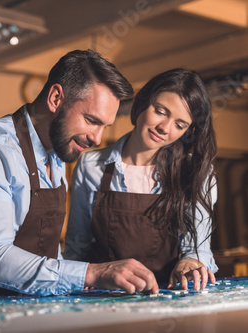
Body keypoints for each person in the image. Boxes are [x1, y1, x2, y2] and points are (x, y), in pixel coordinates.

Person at [0, 49, 159, 298]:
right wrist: (91, 273)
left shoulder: (57, 154)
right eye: (91, 120)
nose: (96, 138)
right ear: (56, 98)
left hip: (37, 309)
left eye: (104, 126)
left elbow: (47, 252)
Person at [64, 68, 218, 292]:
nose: (164, 128)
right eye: (160, 111)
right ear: (143, 102)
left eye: (180, 125)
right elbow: (77, 248)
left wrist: (190, 264)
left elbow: (198, 249)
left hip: (164, 297)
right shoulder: (91, 166)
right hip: (101, 298)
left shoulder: (195, 173)